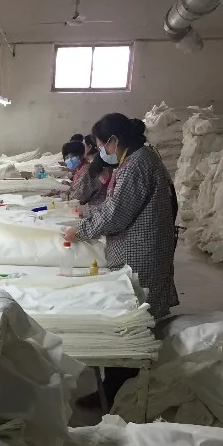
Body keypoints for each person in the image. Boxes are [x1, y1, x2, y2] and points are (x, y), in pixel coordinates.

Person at [64, 113, 179, 403]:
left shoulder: (137, 164)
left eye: (102, 144)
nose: (102, 151)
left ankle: (120, 394)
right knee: (130, 317)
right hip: (141, 246)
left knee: (130, 322)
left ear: (114, 140)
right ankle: (116, 388)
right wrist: (89, 217)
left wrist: (81, 231)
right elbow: (116, 204)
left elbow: (117, 213)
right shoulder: (137, 160)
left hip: (141, 252)